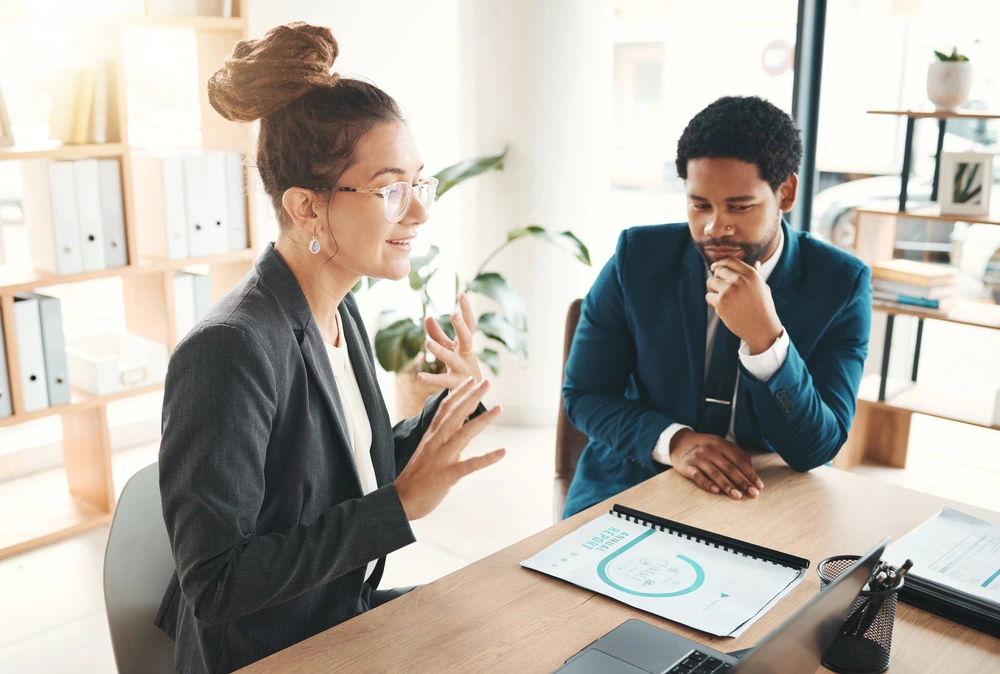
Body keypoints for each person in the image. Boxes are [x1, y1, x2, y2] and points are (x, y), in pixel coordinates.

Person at [154, 22, 505, 673]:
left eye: (417, 183)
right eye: (390, 188)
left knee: (505, 622)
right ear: (308, 208)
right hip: (270, 653)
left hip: (338, 617)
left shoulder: (340, 308)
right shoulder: (228, 352)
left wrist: (448, 413)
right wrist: (398, 509)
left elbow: (341, 479)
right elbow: (216, 584)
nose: (420, 214)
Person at [561, 96, 872, 518]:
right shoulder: (637, 258)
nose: (714, 227)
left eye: (740, 207)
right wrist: (675, 441)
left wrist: (766, 340)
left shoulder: (841, 284)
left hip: (767, 494)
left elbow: (816, 448)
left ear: (786, 192)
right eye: (699, 204)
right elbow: (585, 395)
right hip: (636, 479)